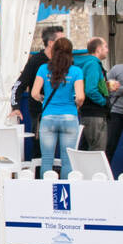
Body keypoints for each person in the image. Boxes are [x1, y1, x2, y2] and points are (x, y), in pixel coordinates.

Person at [31, 35, 84, 178]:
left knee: (47, 160)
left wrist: (43, 100)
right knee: (67, 161)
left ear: (54, 51)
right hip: (69, 117)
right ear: (70, 52)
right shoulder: (76, 71)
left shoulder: (43, 69)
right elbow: (80, 97)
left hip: (48, 117)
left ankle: (46, 193)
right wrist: (77, 106)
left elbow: (34, 93)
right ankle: (65, 195)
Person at [10, 25, 65, 156]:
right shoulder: (36, 61)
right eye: (62, 40)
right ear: (51, 43)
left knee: (62, 151)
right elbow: (18, 85)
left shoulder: (66, 61)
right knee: (41, 150)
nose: (66, 44)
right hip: (41, 114)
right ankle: (39, 175)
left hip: (62, 111)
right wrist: (15, 106)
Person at [73, 37, 110, 151]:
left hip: (88, 113)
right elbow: (90, 89)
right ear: (98, 49)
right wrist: (104, 102)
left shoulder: (89, 63)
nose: (107, 50)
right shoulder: (93, 64)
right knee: (97, 149)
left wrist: (107, 86)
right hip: (95, 114)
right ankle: (95, 170)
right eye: (105, 47)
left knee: (86, 149)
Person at [105, 55, 123, 163]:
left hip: (115, 112)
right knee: (109, 146)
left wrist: (117, 88)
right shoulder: (117, 68)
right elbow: (105, 87)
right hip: (115, 113)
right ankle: (103, 176)